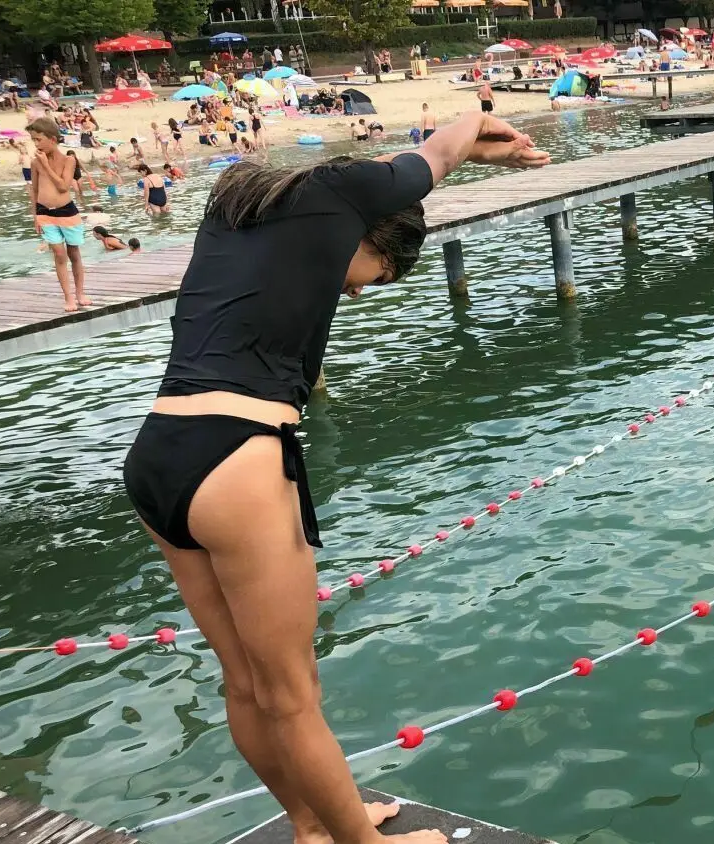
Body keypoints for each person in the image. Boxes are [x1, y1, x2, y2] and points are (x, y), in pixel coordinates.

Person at [120, 112, 548, 844]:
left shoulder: (234, 209)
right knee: (292, 693)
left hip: (157, 453)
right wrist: (488, 136)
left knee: (245, 681)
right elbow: (442, 147)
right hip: (236, 460)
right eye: (377, 278)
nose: (354, 294)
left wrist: (474, 150)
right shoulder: (349, 194)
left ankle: (313, 825)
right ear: (371, 236)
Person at [26, 117, 91, 312]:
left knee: (74, 253)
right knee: (58, 253)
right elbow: (34, 190)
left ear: (52, 139)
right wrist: (35, 216)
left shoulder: (68, 160)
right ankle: (68, 297)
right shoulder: (35, 163)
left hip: (67, 212)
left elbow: (63, 187)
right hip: (45, 213)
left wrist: (46, 165)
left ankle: (80, 293)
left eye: (39, 139)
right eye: (33, 140)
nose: (36, 144)